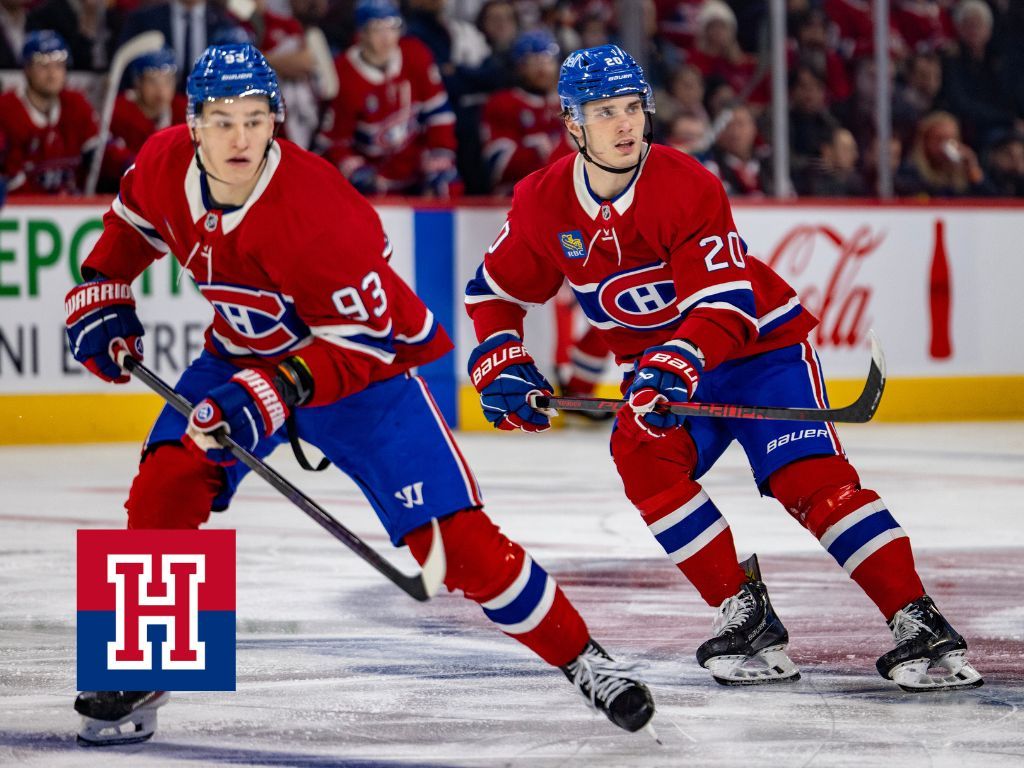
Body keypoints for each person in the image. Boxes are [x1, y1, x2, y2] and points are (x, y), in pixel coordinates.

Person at [64, 42, 654, 746]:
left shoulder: (317, 212)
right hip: (240, 355)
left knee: (457, 546)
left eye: (255, 119)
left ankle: (584, 658)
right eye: (222, 120)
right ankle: (144, 665)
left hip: (360, 376)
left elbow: (366, 342)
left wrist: (275, 390)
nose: (240, 138)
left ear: (276, 120)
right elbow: (130, 227)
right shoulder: (163, 164)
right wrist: (103, 289)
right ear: (192, 125)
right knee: (168, 477)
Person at [464, 44, 984, 692]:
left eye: (633, 108)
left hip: (757, 353)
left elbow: (725, 304)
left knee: (811, 482)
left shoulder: (685, 182)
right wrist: (503, 360)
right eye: (605, 112)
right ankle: (745, 615)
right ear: (573, 123)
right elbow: (493, 293)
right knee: (642, 458)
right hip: (667, 373)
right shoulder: (543, 204)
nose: (625, 125)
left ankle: (917, 618)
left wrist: (672, 363)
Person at [315, 0, 460, 196]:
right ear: (362, 34)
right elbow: (336, 142)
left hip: (415, 169)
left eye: (392, 27)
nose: (386, 38)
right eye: (377, 29)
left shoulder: (416, 54)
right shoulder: (344, 73)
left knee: (449, 185)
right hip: (374, 177)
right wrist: (357, 170)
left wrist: (440, 155)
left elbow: (438, 113)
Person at [0, 30, 124, 195]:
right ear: (27, 69)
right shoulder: (7, 110)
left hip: (71, 209)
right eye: (43, 65)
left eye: (59, 65)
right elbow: (10, 177)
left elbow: (102, 153)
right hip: (25, 212)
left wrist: (130, 166)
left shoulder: (75, 104)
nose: (52, 74)